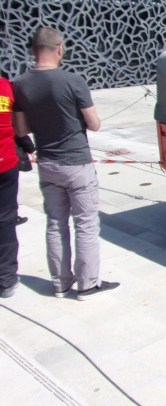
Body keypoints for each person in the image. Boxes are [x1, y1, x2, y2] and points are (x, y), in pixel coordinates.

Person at [13, 27, 119, 300]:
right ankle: (87, 284)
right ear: (60, 48)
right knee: (85, 224)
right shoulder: (73, 80)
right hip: (76, 162)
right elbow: (94, 124)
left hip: (47, 162)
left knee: (55, 223)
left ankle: (60, 283)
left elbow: (21, 129)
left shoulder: (20, 83)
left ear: (32, 49)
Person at [0, 74, 20, 298]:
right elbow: (18, 125)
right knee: (5, 220)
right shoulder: (5, 87)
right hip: (5, 161)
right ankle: (6, 279)